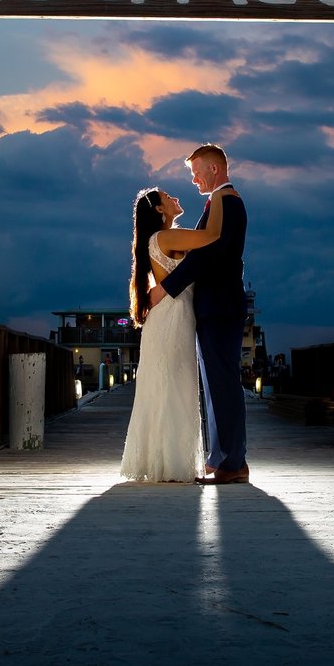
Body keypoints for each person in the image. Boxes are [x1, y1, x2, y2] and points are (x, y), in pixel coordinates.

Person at [151, 144, 249, 485]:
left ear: (214, 170)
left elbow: (209, 256)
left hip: (221, 306)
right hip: (214, 306)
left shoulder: (229, 202)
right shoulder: (219, 203)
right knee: (215, 384)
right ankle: (223, 457)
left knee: (223, 384)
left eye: (196, 172)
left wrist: (167, 287)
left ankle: (233, 463)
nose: (193, 180)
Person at [120, 187, 225, 482]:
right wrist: (218, 197)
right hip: (173, 318)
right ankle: (170, 464)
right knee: (175, 388)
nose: (176, 198)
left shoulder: (157, 240)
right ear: (159, 210)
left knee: (167, 389)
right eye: (168, 198)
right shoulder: (165, 237)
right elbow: (212, 235)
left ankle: (163, 463)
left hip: (169, 318)